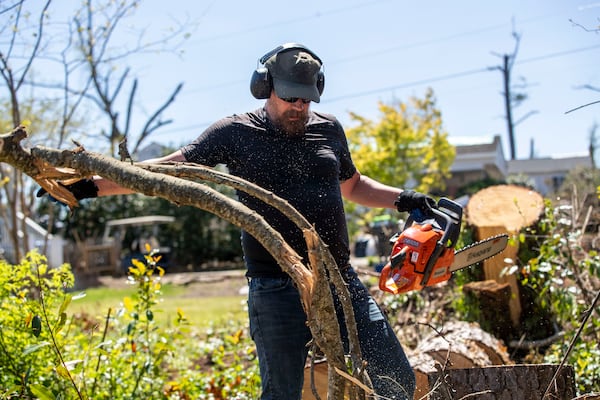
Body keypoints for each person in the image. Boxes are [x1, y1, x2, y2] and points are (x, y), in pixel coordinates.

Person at [46, 43, 437, 399]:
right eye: (290, 98)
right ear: (265, 86)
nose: (299, 107)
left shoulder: (329, 128)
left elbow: (353, 185)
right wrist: (89, 186)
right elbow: (166, 172)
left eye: (307, 98)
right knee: (281, 392)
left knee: (396, 380)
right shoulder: (233, 132)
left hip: (339, 278)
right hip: (274, 286)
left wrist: (403, 198)